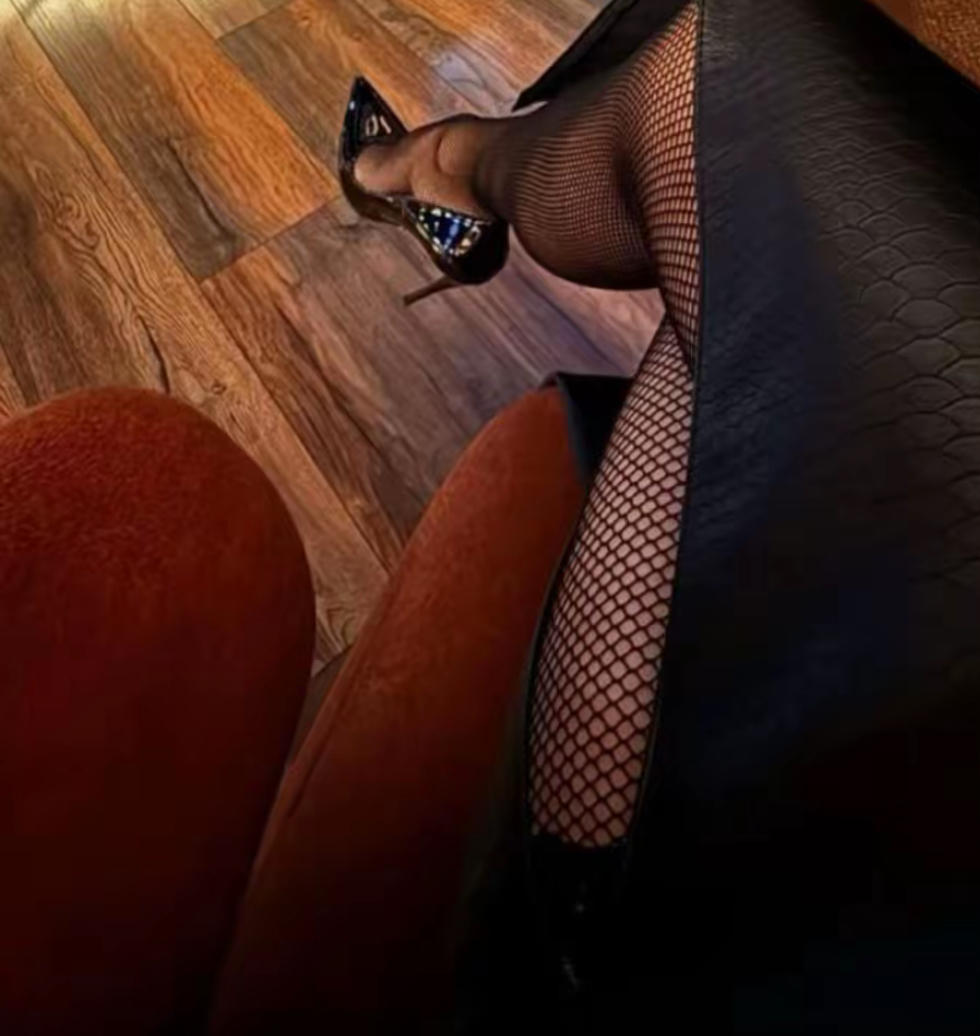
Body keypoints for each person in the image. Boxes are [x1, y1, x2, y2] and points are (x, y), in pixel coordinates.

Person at [3, 0, 980, 1032]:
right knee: (782, 184)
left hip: (730, 926)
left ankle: (432, 170)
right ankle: (444, 171)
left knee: (737, 77)